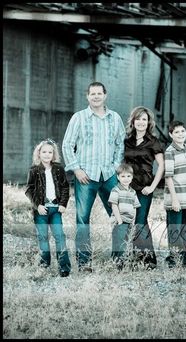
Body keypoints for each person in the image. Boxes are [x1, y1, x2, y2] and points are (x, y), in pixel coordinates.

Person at [62, 81, 126, 271]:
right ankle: (84, 263)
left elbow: (120, 144)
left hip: (109, 175)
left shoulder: (115, 118)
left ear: (105, 95)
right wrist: (76, 169)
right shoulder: (78, 118)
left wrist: (115, 166)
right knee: (82, 219)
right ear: (87, 96)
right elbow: (67, 145)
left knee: (118, 216)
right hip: (85, 176)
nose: (96, 96)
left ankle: (119, 260)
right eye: (92, 94)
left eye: (99, 93)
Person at [124, 106, 165, 268]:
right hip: (127, 187)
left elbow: (161, 166)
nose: (141, 122)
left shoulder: (153, 142)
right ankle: (138, 258)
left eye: (144, 119)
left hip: (144, 188)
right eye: (138, 119)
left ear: (149, 123)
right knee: (129, 221)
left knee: (140, 221)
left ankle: (147, 260)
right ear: (133, 121)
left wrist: (153, 186)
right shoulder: (126, 140)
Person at [25, 138, 71, 277]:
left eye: (50, 152)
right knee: (43, 237)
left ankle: (64, 268)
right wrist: (37, 205)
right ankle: (44, 266)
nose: (47, 154)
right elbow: (29, 190)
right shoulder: (34, 170)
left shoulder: (58, 169)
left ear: (53, 154)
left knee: (59, 236)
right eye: (44, 152)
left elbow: (65, 187)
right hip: (41, 210)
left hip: (56, 209)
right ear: (38, 154)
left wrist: (63, 204)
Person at [164, 120, 186, 267]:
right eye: (177, 132)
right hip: (176, 198)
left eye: (182, 131)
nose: (180, 134)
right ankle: (175, 258)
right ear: (171, 134)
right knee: (175, 227)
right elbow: (168, 177)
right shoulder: (169, 151)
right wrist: (174, 200)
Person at [108, 163, 141, 270]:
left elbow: (135, 207)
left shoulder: (133, 192)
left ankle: (126, 263)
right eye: (123, 176)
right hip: (119, 221)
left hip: (129, 221)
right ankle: (117, 265)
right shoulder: (116, 190)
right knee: (118, 243)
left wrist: (133, 221)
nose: (126, 179)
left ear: (132, 177)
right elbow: (114, 205)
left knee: (127, 242)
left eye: (128, 176)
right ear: (118, 177)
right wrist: (119, 220)